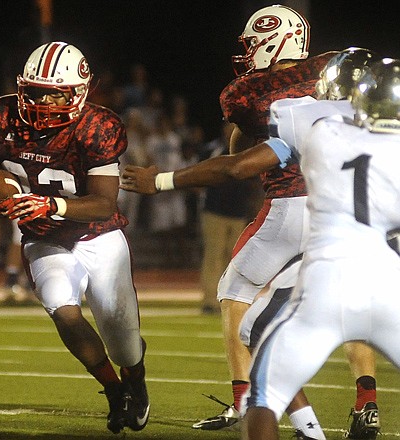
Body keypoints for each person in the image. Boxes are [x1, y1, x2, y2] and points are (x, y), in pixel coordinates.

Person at [122, 46, 382, 439]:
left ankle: (284, 418)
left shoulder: (303, 117)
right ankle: (368, 402)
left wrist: (161, 181)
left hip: (299, 211)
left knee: (248, 313)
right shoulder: (380, 122)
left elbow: (237, 165)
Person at [0, 41, 149, 434]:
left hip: (97, 234)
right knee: (62, 308)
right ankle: (114, 392)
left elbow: (102, 203)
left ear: (79, 92)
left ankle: (135, 377)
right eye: (36, 90)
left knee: (123, 340)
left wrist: (51, 205)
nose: (43, 100)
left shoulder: (97, 126)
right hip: (44, 237)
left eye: (54, 93)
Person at [242, 57, 400, 440]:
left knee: (260, 389)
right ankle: (363, 402)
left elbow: (245, 151)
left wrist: (164, 180)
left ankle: (309, 430)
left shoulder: (320, 130)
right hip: (389, 276)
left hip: (328, 274)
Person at [198, 121, 261, 314]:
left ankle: (229, 297)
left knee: (234, 259)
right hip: (215, 210)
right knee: (214, 256)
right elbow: (201, 174)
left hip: (238, 211)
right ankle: (210, 301)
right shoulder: (214, 149)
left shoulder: (248, 150)